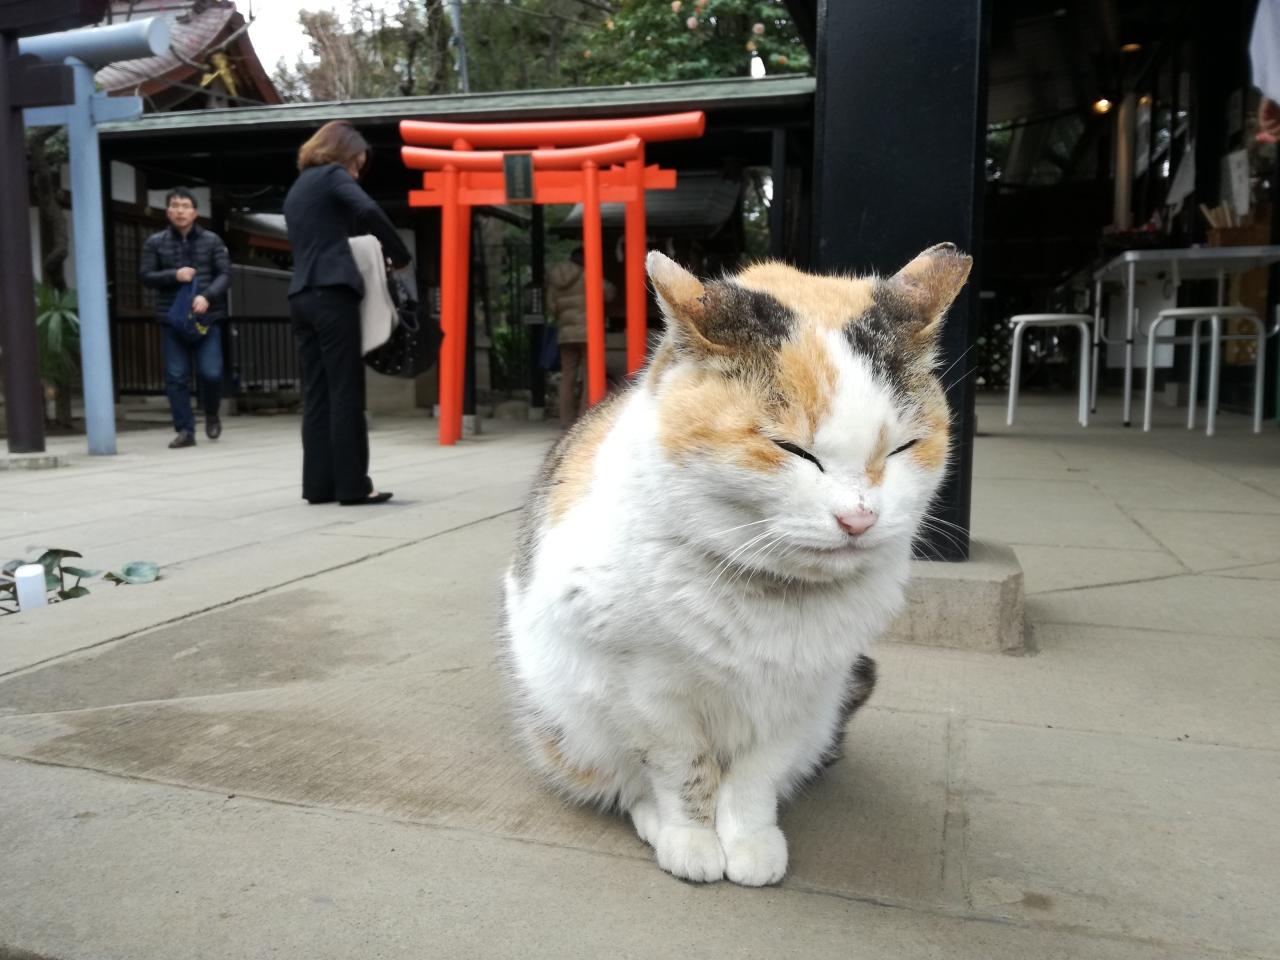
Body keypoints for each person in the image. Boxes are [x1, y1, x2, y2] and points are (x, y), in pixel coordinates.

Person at [283, 121, 412, 506]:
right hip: (332, 294)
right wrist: (400, 255)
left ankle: (318, 486)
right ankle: (355, 485)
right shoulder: (332, 176)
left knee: (318, 393)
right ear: (342, 154)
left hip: (301, 297)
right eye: (356, 164)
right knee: (345, 391)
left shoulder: (299, 186)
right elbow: (367, 208)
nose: (356, 174)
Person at [140, 187, 230, 449]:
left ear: (195, 212)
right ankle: (185, 431)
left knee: (211, 373)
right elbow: (145, 276)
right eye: (175, 206)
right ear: (168, 211)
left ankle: (211, 412)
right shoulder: (154, 242)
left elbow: (225, 275)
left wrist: (208, 296)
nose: (180, 211)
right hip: (172, 319)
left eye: (185, 206)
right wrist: (173, 275)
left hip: (207, 318)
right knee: (176, 376)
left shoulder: (212, 241)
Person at [546, 247, 616, 425]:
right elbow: (610, 293)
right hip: (589, 333)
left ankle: (565, 419)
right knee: (590, 375)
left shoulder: (556, 280)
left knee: (567, 376)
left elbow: (552, 308)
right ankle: (584, 417)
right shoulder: (589, 275)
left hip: (566, 334)